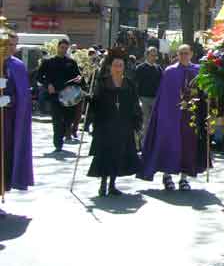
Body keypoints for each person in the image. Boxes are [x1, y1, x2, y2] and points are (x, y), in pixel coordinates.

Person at [139, 44, 209, 191]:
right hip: (172, 116)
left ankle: (184, 178)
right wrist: (164, 116)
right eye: (181, 53)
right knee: (169, 145)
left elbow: (203, 94)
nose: (184, 56)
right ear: (177, 55)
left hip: (190, 116)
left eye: (186, 53)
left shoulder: (197, 71)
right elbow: (164, 96)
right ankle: (167, 176)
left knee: (188, 146)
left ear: (191, 54)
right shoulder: (170, 72)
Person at [87, 48, 142, 196]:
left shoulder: (129, 84)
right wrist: (91, 101)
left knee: (118, 155)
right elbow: (96, 103)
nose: (118, 68)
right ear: (110, 67)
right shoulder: (103, 83)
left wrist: (136, 121)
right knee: (105, 154)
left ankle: (112, 184)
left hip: (123, 125)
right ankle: (103, 184)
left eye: (120, 66)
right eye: (115, 65)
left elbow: (135, 104)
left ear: (124, 68)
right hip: (106, 125)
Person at [1, 32, 34, 213]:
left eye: (14, 45)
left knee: (4, 159)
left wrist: (8, 100)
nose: (11, 48)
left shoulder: (17, 66)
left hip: (8, 122)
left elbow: (22, 96)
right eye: (8, 44)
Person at [37, 39, 81, 151]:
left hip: (68, 96)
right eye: (62, 47)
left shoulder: (71, 62)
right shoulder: (48, 62)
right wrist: (48, 85)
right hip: (55, 96)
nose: (63, 50)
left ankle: (63, 133)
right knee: (57, 121)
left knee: (68, 120)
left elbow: (78, 77)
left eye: (66, 48)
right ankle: (58, 144)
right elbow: (39, 77)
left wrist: (79, 80)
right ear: (58, 47)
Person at [134, 47, 162, 150]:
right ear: (147, 55)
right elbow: (135, 84)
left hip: (155, 99)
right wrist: (137, 99)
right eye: (152, 55)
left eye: (155, 55)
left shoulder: (158, 68)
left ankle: (153, 145)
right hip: (144, 98)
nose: (154, 57)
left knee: (154, 123)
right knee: (145, 122)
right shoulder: (140, 68)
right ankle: (144, 145)